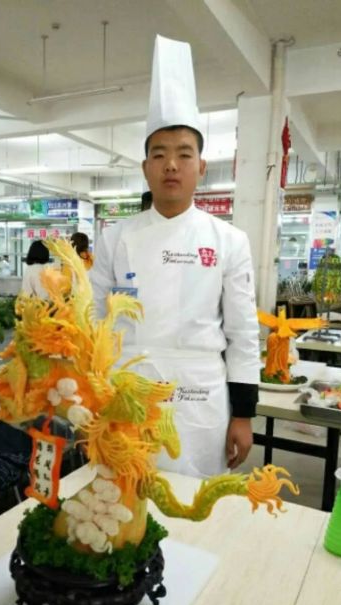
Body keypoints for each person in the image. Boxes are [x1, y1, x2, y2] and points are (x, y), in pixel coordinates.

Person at [91, 35, 260, 478]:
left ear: (201, 167)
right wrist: (90, 393)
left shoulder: (229, 240)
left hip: (201, 396)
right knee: (126, 494)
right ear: (145, 167)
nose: (171, 165)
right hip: (128, 388)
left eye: (184, 154)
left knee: (198, 502)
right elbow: (94, 320)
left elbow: (243, 333)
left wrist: (244, 414)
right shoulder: (115, 237)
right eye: (159, 154)